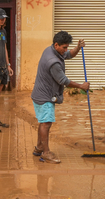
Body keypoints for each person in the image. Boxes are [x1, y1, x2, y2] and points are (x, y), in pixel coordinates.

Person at [30, 31, 89, 164]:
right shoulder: (53, 62)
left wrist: (78, 48)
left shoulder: (51, 50)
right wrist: (81, 86)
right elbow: (64, 81)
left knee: (43, 121)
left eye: (67, 47)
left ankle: (39, 147)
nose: (66, 50)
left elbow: (69, 55)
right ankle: (46, 152)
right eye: (64, 47)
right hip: (45, 96)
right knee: (46, 123)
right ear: (56, 45)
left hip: (40, 94)